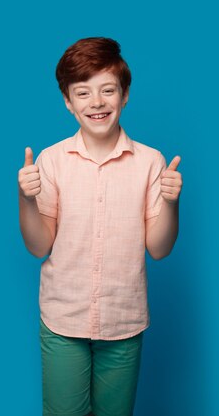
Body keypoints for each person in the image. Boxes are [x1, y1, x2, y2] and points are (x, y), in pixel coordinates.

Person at [18, 37, 182, 416]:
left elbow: (159, 249)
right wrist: (26, 199)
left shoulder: (150, 162)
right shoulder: (52, 160)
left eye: (108, 90)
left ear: (124, 95)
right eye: (83, 92)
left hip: (124, 320)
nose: (97, 102)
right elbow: (39, 245)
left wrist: (172, 204)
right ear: (68, 101)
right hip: (63, 318)